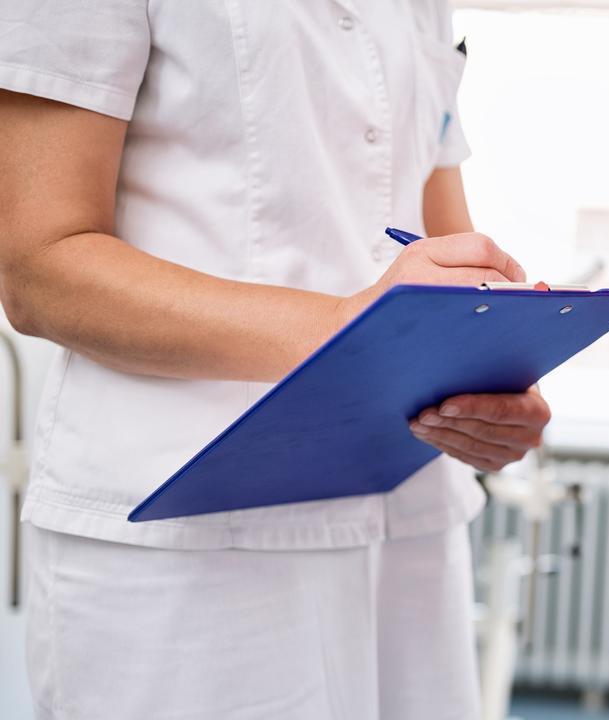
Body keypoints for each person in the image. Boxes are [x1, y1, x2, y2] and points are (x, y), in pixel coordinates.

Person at [0, 2, 548, 718]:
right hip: (182, 544)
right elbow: (40, 267)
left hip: (406, 523)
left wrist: (492, 387)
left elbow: (446, 253)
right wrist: (346, 327)